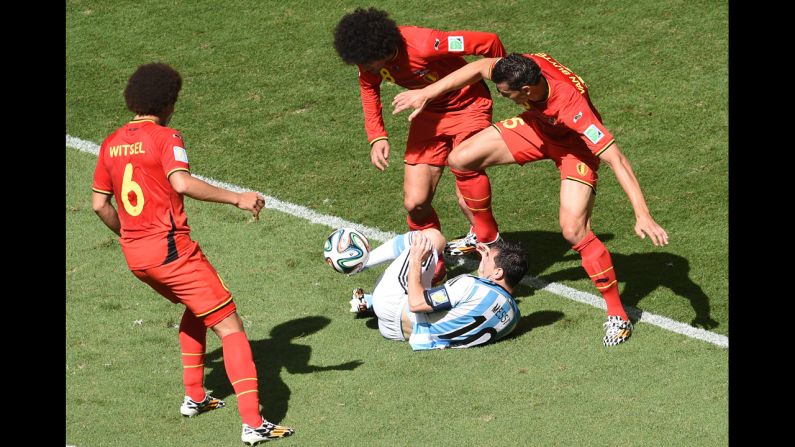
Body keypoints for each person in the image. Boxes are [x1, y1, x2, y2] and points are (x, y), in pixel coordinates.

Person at [392, 53, 670, 346]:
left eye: (505, 93)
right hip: (537, 128)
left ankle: (618, 315)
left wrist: (642, 213)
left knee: (574, 230)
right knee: (461, 158)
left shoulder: (572, 107)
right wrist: (426, 92)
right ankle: (487, 238)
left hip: (575, 149)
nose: (501, 96)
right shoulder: (519, 67)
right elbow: (477, 67)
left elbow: (617, 159)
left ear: (526, 90)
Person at [91, 63, 294, 445]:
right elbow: (181, 182)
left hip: (136, 256)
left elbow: (100, 204)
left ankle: (195, 396)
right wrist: (237, 197)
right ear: (168, 102)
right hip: (172, 251)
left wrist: (131, 236)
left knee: (196, 309)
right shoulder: (166, 136)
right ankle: (254, 424)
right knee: (230, 325)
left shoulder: (111, 142)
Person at [332, 7, 507, 283]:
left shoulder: (426, 43)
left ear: (383, 49)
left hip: (469, 107)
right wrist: (377, 135)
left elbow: (488, 40)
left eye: (368, 64)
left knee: (467, 193)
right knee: (415, 202)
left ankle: (495, 255)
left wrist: (503, 78)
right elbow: (368, 87)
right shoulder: (366, 58)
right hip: (428, 114)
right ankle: (432, 263)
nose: (365, 69)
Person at [350, 229, 528, 350]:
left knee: (433, 239)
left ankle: (356, 263)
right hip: (397, 334)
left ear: (497, 272)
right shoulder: (513, 318)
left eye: (488, 256)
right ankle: (369, 302)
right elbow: (474, 308)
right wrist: (485, 267)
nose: (484, 255)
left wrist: (416, 260)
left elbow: (416, 303)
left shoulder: (470, 285)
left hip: (391, 305)